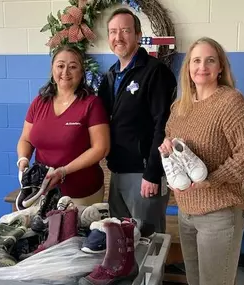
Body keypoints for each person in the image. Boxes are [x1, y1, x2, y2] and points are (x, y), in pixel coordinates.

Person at [159, 37, 244, 285]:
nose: (202, 66)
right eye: (196, 60)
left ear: (220, 68)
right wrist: (167, 148)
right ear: (188, 67)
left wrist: (211, 180)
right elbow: (170, 139)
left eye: (210, 60)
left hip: (219, 213)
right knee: (194, 281)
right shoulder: (180, 106)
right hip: (186, 211)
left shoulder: (231, 102)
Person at [98, 8, 177, 233]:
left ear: (138, 35)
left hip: (144, 174)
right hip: (118, 171)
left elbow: (164, 124)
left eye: (125, 30)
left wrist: (152, 173)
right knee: (122, 242)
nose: (118, 37)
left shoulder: (155, 72)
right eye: (113, 32)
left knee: (148, 243)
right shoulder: (111, 75)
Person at [17, 45, 110, 206]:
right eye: (60, 66)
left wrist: (63, 171)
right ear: (52, 70)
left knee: (76, 231)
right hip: (43, 191)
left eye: (73, 67)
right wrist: (23, 160)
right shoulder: (39, 102)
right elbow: (25, 139)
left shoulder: (91, 104)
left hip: (81, 193)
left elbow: (101, 148)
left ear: (81, 72)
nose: (65, 72)